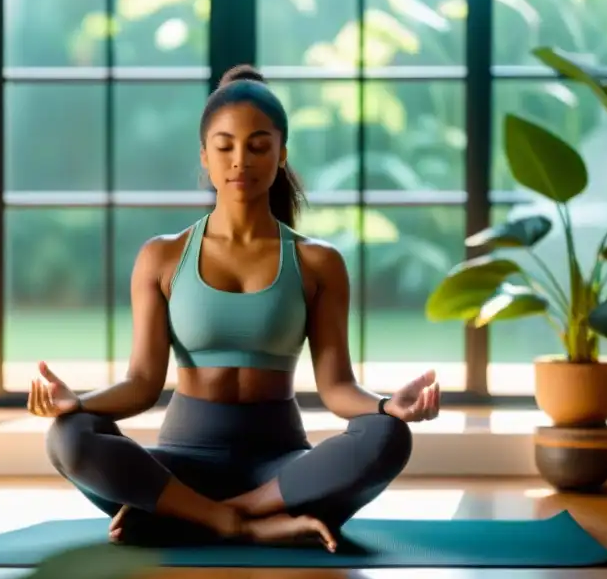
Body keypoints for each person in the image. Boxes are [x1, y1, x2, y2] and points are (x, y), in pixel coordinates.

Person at [28, 65, 441, 552]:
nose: (240, 161)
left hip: (279, 470)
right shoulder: (162, 256)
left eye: (258, 145)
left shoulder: (318, 262)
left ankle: (201, 517)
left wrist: (387, 406)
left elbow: (337, 388)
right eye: (224, 146)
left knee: (388, 437)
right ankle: (241, 524)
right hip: (178, 467)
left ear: (282, 154)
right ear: (204, 156)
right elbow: (142, 383)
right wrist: (77, 403)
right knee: (69, 435)